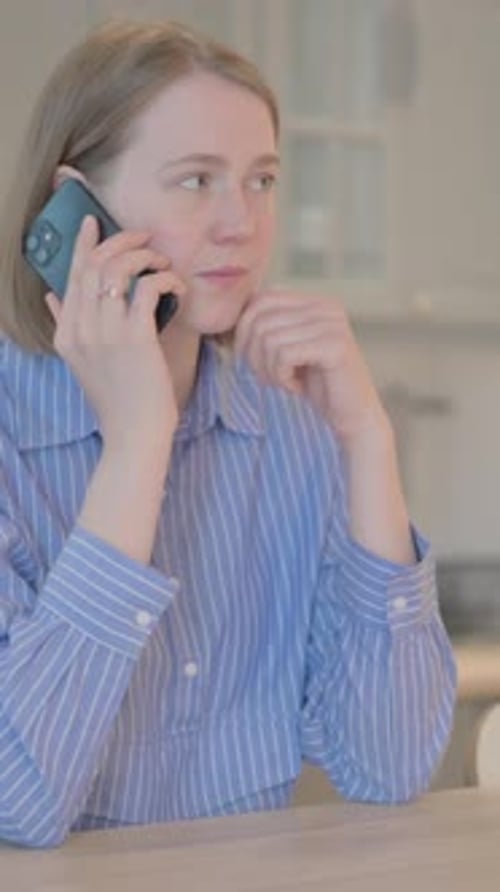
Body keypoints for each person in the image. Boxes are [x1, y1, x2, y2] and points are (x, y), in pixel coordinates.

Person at [0, 19, 456, 848]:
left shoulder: (292, 425)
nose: (241, 224)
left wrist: (366, 440)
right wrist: (138, 446)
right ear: (76, 207)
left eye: (262, 179)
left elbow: (387, 766)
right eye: (195, 180)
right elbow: (19, 801)